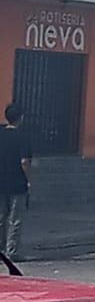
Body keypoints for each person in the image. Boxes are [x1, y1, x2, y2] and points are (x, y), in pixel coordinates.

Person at [0, 104, 31, 261]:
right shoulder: (22, 136)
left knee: (0, 217)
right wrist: (29, 179)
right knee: (15, 218)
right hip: (17, 183)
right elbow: (24, 161)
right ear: (21, 118)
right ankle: (11, 251)